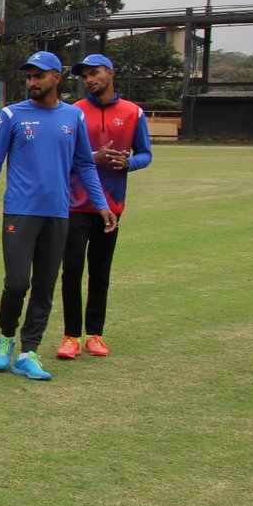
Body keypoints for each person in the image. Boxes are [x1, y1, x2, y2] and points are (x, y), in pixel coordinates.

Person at [0, 50, 115, 381]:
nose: (32, 82)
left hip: (58, 214)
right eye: (28, 77)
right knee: (17, 282)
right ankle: (7, 337)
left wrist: (101, 204)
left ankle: (28, 352)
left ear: (57, 78)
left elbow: (84, 164)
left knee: (44, 286)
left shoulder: (73, 117)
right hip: (20, 212)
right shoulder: (12, 114)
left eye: (38, 76)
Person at [57, 53, 152, 360]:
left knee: (100, 273)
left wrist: (129, 163)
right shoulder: (74, 111)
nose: (89, 80)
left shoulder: (133, 112)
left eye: (94, 73)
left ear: (111, 73)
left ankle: (95, 334)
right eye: (85, 76)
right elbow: (62, 156)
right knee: (72, 271)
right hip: (75, 206)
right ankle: (71, 336)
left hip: (112, 207)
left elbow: (146, 154)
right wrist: (91, 158)